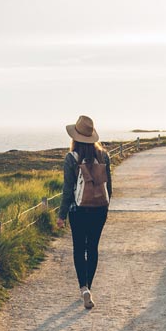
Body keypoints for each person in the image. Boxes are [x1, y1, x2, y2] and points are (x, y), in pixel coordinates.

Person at [58, 114, 111, 310]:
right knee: (93, 248)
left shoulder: (71, 158)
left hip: (77, 210)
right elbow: (109, 187)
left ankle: (83, 288)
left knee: (79, 249)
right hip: (99, 210)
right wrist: (105, 207)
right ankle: (90, 286)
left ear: (75, 137)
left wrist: (62, 215)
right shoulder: (103, 156)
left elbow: (67, 189)